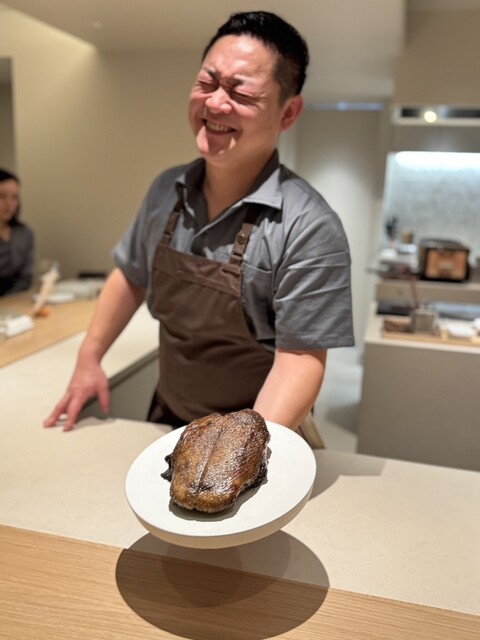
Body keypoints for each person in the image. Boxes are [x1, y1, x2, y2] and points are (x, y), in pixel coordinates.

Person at [44, 11, 354, 434]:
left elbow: (299, 358)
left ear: (288, 113)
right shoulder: (165, 190)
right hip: (168, 419)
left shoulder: (309, 227)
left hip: (262, 435)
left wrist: (240, 452)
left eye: (240, 93)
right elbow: (131, 276)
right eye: (207, 83)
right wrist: (89, 358)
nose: (214, 103)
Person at [0, 168, 35, 296]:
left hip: (14, 300)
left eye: (14, 197)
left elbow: (25, 278)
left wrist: (9, 301)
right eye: (2, 196)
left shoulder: (25, 234)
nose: (9, 204)